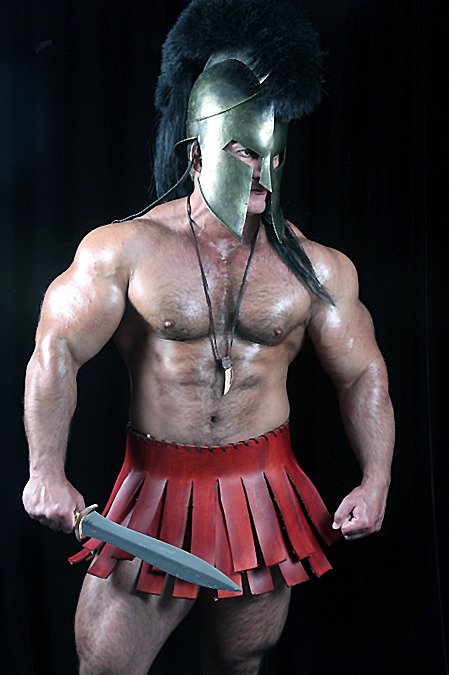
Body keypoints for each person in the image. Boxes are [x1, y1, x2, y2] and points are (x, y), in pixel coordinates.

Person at [22, 1, 395, 673]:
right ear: (198, 151)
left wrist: (376, 479)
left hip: (264, 492)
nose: (261, 172)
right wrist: (45, 471)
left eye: (273, 156)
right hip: (157, 490)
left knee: (241, 663)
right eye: (244, 152)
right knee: (106, 666)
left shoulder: (315, 268)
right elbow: (56, 348)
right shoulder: (125, 250)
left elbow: (363, 372)